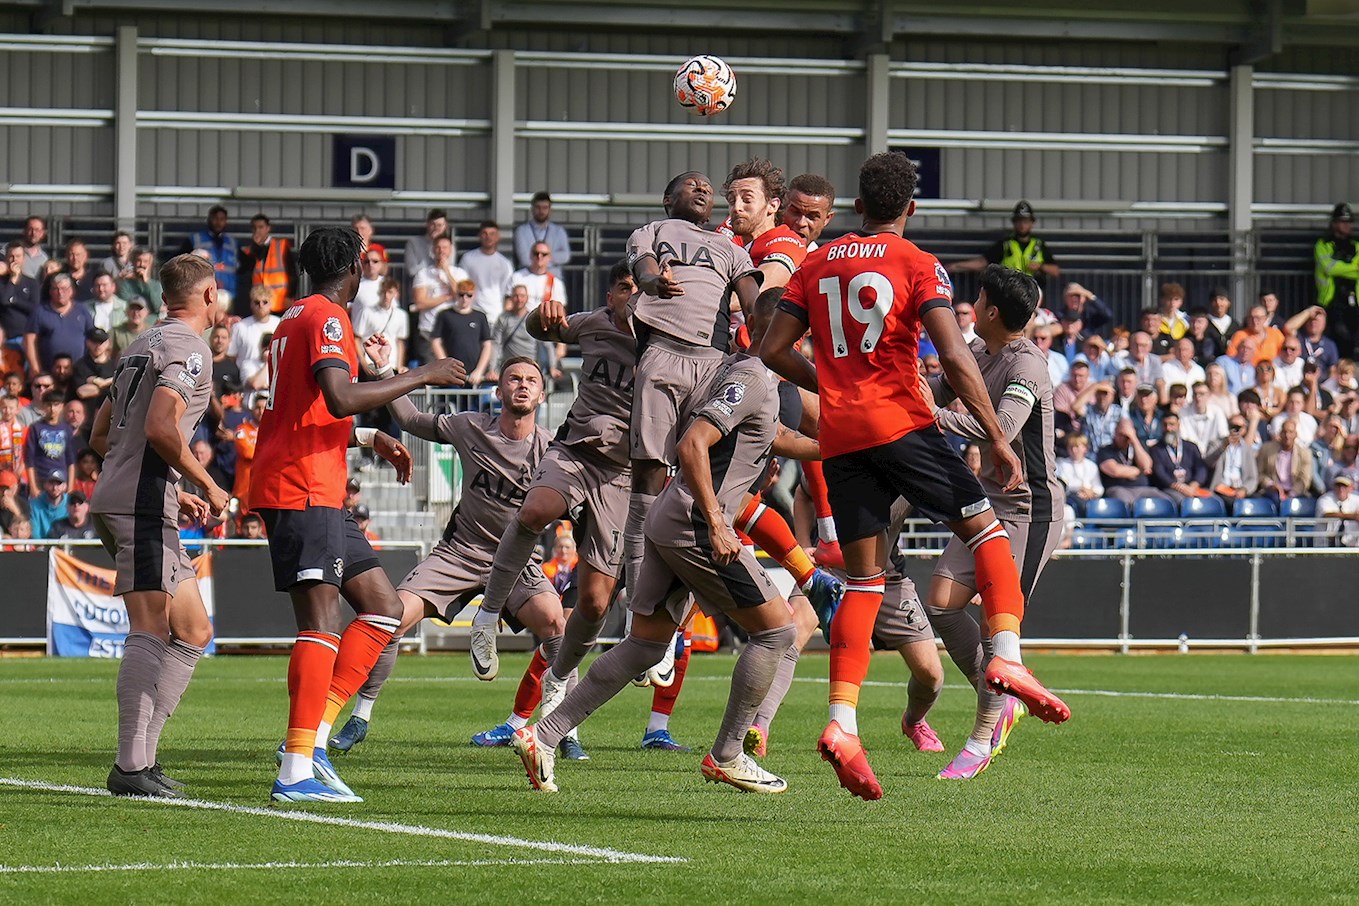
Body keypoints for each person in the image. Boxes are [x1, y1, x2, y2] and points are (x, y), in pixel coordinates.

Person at [761, 154, 1066, 801]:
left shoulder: (817, 263)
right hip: (899, 423)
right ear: (911, 208)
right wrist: (996, 439)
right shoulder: (916, 262)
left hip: (842, 437)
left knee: (863, 583)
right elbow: (952, 354)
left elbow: (772, 348)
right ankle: (1007, 658)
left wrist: (833, 386)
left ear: (854, 206)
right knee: (985, 532)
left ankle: (842, 723)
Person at [512, 328, 818, 796]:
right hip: (695, 522)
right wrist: (715, 522)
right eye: (802, 334)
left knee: (645, 645)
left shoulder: (744, 374)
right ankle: (728, 754)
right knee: (777, 631)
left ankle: (544, 735)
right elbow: (692, 444)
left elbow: (771, 434)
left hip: (669, 514)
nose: (805, 347)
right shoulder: (753, 376)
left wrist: (838, 447)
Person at [247, 226, 466, 803]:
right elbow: (339, 396)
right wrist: (421, 374)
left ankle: (313, 740)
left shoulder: (293, 316)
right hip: (302, 487)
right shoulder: (326, 317)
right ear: (354, 268)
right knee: (320, 624)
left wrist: (369, 437)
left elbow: (307, 413)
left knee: (384, 608)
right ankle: (295, 768)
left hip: (314, 481)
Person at [332, 358, 572, 757]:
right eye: (514, 378)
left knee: (558, 626)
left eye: (532, 380)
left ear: (543, 395)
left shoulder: (552, 452)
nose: (523, 385)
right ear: (499, 390)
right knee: (391, 618)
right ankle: (360, 716)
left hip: (517, 562)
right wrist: (387, 370)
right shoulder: (470, 426)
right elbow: (410, 420)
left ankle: (563, 731)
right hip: (459, 553)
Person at [86, 253, 227, 798]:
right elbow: (161, 427)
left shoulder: (139, 344)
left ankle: (143, 760)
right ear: (209, 295)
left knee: (193, 630)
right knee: (149, 627)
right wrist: (206, 483)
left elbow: (102, 434)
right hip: (141, 504)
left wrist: (172, 487)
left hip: (134, 496)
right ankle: (130, 766)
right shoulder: (191, 349)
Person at [919, 263, 1067, 780]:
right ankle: (1001, 694)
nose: (972, 306)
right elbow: (937, 391)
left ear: (993, 311)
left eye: (979, 299)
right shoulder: (978, 351)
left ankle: (982, 738)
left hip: (1030, 508)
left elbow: (1002, 426)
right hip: (987, 500)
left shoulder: (1028, 366)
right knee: (941, 604)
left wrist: (933, 416)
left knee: (994, 624)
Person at [461, 263, 636, 693]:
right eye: (623, 288)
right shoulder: (593, 323)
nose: (632, 296)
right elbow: (538, 328)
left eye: (638, 288)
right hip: (576, 448)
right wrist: (543, 314)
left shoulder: (664, 339)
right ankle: (487, 616)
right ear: (609, 296)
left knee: (594, 603)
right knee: (535, 511)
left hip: (622, 471)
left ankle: (562, 682)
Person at [616, 171, 759, 649]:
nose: (702, 189)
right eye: (691, 184)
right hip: (663, 353)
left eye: (707, 186)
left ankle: (672, 619)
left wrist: (770, 326)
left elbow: (754, 303)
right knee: (649, 478)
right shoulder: (652, 232)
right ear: (667, 197)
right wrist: (654, 282)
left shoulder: (731, 249)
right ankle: (639, 608)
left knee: (705, 480)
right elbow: (644, 270)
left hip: (714, 363)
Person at [948, 201, 1060, 279]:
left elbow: (1055, 271)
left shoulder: (1038, 245)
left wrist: (1040, 266)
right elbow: (983, 262)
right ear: (1014, 223)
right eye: (1019, 221)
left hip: (1033, 291)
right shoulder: (1006, 244)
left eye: (1025, 221)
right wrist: (957, 265)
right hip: (1010, 290)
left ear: (1032, 223)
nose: (1022, 225)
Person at [411, 234, 469, 364]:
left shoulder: (460, 273)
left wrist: (447, 271)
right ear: (433, 250)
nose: (441, 251)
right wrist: (447, 297)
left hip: (453, 329)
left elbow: (462, 296)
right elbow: (420, 303)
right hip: (429, 329)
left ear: (451, 250)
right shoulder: (423, 274)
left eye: (445, 247)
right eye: (438, 247)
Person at [25, 273, 94, 376]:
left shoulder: (82, 310)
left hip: (78, 372)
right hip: (48, 372)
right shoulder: (40, 312)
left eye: (64, 289)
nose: (60, 292)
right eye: (56, 289)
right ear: (50, 291)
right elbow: (29, 341)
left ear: (71, 291)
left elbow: (92, 338)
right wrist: (35, 369)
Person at [431, 280, 493, 389]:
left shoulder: (480, 316)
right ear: (456, 294)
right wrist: (446, 366)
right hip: (451, 376)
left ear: (474, 295)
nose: (464, 298)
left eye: (469, 295)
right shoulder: (444, 315)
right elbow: (435, 341)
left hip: (473, 376)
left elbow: (487, 345)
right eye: (461, 294)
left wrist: (479, 370)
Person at [1315, 202, 1358, 355]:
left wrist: (1340, 269)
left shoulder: (1356, 245)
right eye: (1343, 221)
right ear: (1334, 223)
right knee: (1334, 339)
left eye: (1349, 222)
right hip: (1330, 302)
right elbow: (1329, 268)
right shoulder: (1323, 245)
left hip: (1354, 302)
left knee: (1352, 340)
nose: (1347, 225)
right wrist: (1353, 268)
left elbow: (1335, 268)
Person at [178, 205, 239, 310]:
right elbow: (180, 262)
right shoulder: (195, 240)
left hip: (228, 296)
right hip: (203, 295)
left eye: (222, 219)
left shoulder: (233, 243)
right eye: (215, 218)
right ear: (209, 219)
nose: (218, 222)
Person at [236, 215, 297, 316]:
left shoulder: (281, 245)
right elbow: (246, 270)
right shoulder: (250, 251)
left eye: (261, 227)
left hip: (279, 300)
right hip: (260, 302)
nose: (257, 231)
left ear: (268, 228)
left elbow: (292, 272)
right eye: (254, 228)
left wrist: (290, 296)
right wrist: (256, 247)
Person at [1097, 418, 1163, 507]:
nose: (1123, 438)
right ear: (1115, 433)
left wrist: (1134, 439)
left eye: (1127, 435)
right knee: (1125, 503)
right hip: (1119, 488)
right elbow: (1115, 471)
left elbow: (1147, 465)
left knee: (1164, 502)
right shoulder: (1105, 450)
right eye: (1120, 434)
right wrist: (1140, 471)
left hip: (1143, 488)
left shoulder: (1139, 447)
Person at [459, 221, 515, 324]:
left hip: (496, 315)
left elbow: (508, 292)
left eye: (492, 234)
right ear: (479, 236)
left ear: (498, 237)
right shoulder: (468, 258)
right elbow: (462, 286)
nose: (488, 237)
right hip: (472, 313)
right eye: (485, 233)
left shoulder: (505, 263)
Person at [1148, 413, 1208, 505]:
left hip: (1191, 487)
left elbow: (1201, 469)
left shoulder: (1191, 447)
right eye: (1165, 425)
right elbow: (1160, 473)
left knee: (1212, 500)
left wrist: (1193, 486)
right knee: (1183, 502)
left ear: (1178, 425)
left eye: (1172, 424)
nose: (1168, 428)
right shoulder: (1156, 449)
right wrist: (1181, 488)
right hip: (1170, 489)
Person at [228, 287, 279, 394]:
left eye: (265, 302)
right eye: (256, 302)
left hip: (273, 381)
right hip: (247, 384)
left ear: (271, 304)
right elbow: (231, 355)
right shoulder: (240, 327)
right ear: (251, 304)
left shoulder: (279, 324)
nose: (261, 305)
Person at [23, 389, 76, 492]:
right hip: (41, 480)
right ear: (43, 406)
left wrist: (70, 488)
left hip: (61, 481)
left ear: (62, 406)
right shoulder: (36, 428)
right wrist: (33, 487)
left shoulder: (66, 429)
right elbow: (29, 460)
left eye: (56, 405)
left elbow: (71, 461)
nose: (52, 409)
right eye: (49, 405)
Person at [351, 277, 408, 369]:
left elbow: (400, 342)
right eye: (384, 292)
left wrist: (399, 365)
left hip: (391, 363)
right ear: (379, 292)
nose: (386, 296)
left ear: (396, 294)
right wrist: (363, 362)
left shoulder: (401, 315)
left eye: (390, 292)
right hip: (370, 362)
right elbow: (357, 338)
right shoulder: (367, 312)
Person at [514, 191, 571, 277]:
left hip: (552, 279)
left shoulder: (559, 231)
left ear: (550, 210)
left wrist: (538, 259)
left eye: (545, 208)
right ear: (532, 209)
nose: (541, 211)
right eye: (538, 207)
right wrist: (549, 259)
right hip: (528, 278)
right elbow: (524, 259)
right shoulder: (521, 231)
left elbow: (566, 256)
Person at [1256, 419, 1312, 505]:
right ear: (1280, 433)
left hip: (1295, 491)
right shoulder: (1266, 449)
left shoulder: (1305, 453)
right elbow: (1259, 473)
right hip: (1273, 491)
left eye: (1291, 432)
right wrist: (1271, 484)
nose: (1287, 435)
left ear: (1296, 434)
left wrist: (1291, 494)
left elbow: (1305, 479)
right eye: (1284, 432)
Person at [1209, 414, 1258, 502]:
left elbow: (1253, 477)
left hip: (1240, 488)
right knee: (1232, 503)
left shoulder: (1247, 449)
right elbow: (1208, 462)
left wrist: (1245, 489)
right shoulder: (1216, 444)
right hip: (1221, 489)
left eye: (1238, 427)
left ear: (1244, 429)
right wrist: (1222, 447)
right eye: (1232, 426)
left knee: (1258, 502)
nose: (1235, 430)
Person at [1, 241, 39, 354]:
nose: (14, 260)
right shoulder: (1, 282)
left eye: (18, 256)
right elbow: (4, 300)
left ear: (23, 259)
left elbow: (34, 308)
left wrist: (14, 300)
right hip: (5, 339)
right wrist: (12, 280)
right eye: (11, 256)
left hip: (26, 339)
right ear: (6, 258)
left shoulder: (32, 282)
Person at [1057, 433, 1103, 513]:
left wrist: (1091, 492)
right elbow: (1064, 485)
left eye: (1077, 447)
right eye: (1071, 447)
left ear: (1085, 448)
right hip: (1070, 499)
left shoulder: (1092, 466)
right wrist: (1081, 488)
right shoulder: (1062, 464)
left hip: (1090, 499)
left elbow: (1099, 488)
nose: (1074, 450)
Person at [1181, 382, 1229, 456]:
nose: (1198, 397)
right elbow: (1183, 438)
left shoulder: (1217, 412)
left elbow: (1223, 436)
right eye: (1195, 394)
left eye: (1202, 394)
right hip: (1191, 455)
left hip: (1213, 455)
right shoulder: (1183, 413)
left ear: (1209, 395)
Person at [402, 208, 448, 282]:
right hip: (419, 285)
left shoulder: (450, 247)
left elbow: (450, 270)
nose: (436, 228)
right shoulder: (413, 243)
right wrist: (434, 263)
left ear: (445, 226)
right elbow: (411, 271)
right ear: (427, 224)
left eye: (439, 225)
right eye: (433, 224)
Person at [117, 248, 163, 321]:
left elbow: (157, 307)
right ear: (133, 263)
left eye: (145, 261)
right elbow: (125, 306)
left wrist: (147, 282)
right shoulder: (125, 284)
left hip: (151, 323)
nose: (141, 264)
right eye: (138, 261)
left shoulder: (156, 285)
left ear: (151, 264)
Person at [1317, 474, 1359, 546]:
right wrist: (1353, 516)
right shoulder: (1325, 499)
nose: (1341, 489)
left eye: (1344, 486)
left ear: (1351, 488)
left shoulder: (1356, 500)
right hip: (1325, 545)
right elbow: (1327, 514)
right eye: (1338, 485)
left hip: (1350, 545)